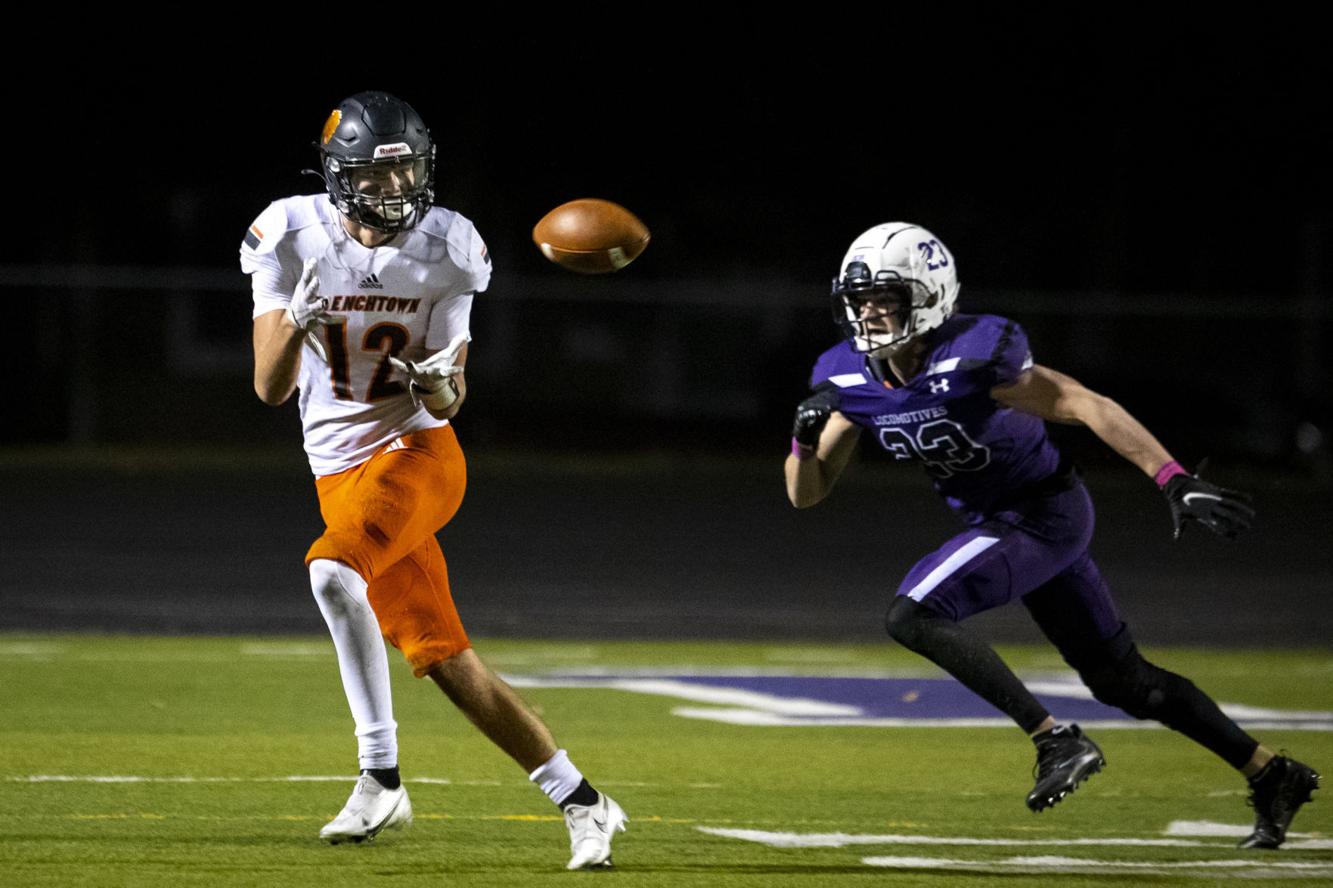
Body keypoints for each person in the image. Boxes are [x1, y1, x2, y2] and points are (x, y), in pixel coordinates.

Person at [784, 221, 1319, 849]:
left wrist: (1171, 478)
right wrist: (801, 441)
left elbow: (1085, 404)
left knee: (913, 613)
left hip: (1043, 513)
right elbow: (805, 493)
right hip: (1006, 526)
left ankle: (1053, 739)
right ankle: (1271, 772)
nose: (869, 312)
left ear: (928, 297)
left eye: (886, 298)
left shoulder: (974, 356)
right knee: (1123, 682)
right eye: (860, 298)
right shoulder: (848, 377)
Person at [241, 90, 626, 869]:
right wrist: (297, 323)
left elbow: (451, 399)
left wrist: (437, 382)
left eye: (406, 171)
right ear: (338, 176)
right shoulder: (287, 234)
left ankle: (379, 775)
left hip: (417, 452)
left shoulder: (450, 247)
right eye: (375, 176)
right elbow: (269, 388)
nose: (394, 189)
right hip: (338, 471)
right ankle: (585, 802)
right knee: (443, 656)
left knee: (330, 572)